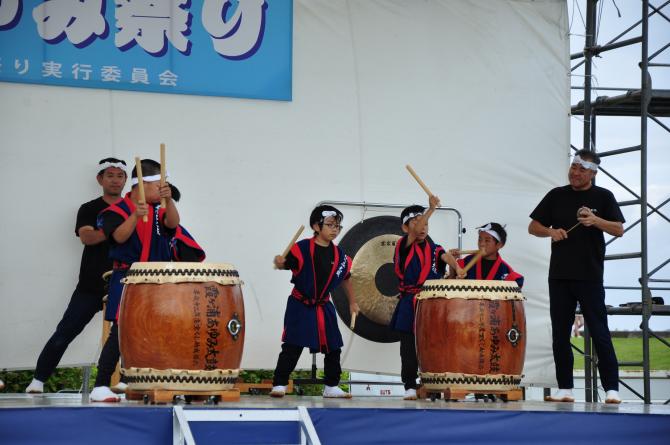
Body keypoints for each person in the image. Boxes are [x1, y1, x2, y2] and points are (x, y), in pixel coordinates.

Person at [90, 159, 205, 402]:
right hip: (129, 278)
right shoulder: (114, 211)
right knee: (122, 331)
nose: (163, 189)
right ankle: (100, 384)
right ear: (141, 185)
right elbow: (119, 238)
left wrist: (170, 199)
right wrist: (135, 216)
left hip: (158, 279)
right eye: (159, 185)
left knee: (158, 330)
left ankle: (146, 381)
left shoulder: (159, 209)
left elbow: (173, 225)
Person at [529, 149, 624, 404]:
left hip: (590, 275)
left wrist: (596, 220)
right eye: (573, 167)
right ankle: (565, 388)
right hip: (559, 275)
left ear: (592, 173)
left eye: (581, 169)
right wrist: (550, 232)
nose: (575, 172)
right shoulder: (556, 195)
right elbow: (533, 226)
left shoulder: (604, 196)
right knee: (560, 333)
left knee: (600, 331)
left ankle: (612, 389)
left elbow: (618, 229)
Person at [25, 158, 127, 394]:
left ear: (125, 180)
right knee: (65, 331)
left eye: (120, 176)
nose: (115, 180)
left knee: (127, 335)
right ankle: (39, 379)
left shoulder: (132, 209)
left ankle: (123, 383)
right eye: (110, 175)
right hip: (91, 284)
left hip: (123, 283)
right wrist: (117, 230)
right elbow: (87, 237)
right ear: (100, 179)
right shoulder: (90, 208)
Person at [270, 205, 360, 399]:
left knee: (333, 346)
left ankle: (331, 386)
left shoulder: (339, 256)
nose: (334, 229)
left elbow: (346, 278)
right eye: (330, 225)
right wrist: (280, 263)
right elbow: (287, 263)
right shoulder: (301, 248)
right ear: (316, 226)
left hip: (323, 304)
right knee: (293, 345)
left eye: (337, 226)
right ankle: (279, 383)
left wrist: (353, 302)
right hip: (300, 303)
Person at [390, 195, 460, 400]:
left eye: (426, 223)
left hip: (431, 304)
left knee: (435, 345)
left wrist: (457, 266)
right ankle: (410, 385)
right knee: (409, 348)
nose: (422, 227)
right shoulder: (403, 245)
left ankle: (434, 382)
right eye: (416, 222)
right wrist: (430, 209)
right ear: (405, 228)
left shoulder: (435, 248)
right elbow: (414, 233)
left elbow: (445, 257)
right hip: (410, 303)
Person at [449, 222, 524, 288]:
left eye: (487, 240)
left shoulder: (505, 270)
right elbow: (451, 285)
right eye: (480, 239)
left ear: (499, 245)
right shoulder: (467, 261)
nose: (481, 244)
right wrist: (452, 263)